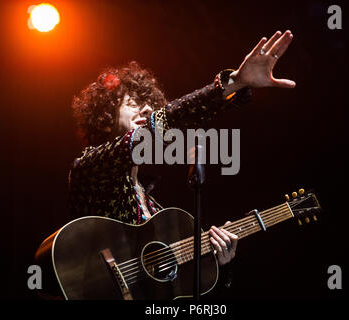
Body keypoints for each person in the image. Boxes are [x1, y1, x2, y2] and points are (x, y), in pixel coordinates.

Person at [68, 30, 295, 297]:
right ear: (105, 118)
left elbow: (178, 295)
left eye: (149, 105)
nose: (146, 110)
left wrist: (221, 266)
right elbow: (162, 122)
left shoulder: (154, 208)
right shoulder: (91, 167)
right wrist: (234, 82)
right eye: (132, 104)